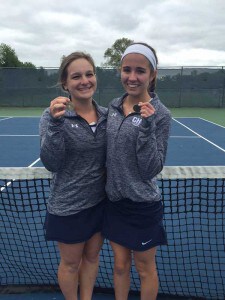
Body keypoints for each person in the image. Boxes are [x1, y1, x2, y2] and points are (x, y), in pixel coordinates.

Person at [103, 42, 172, 300]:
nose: (132, 77)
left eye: (140, 71)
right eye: (127, 69)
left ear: (152, 74)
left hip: (143, 205)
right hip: (114, 203)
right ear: (120, 71)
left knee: (145, 268)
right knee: (120, 266)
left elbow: (151, 169)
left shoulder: (161, 114)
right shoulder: (112, 107)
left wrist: (146, 126)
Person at [39, 51, 107, 300]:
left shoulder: (107, 117)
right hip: (67, 207)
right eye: (76, 76)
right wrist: (56, 126)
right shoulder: (52, 116)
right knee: (70, 264)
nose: (84, 81)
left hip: (99, 204)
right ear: (65, 84)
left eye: (89, 74)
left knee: (91, 257)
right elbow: (51, 163)